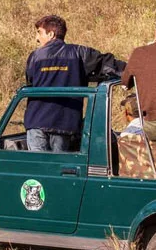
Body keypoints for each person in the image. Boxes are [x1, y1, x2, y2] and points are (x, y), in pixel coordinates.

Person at [24, 15, 125, 152]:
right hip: (64, 123)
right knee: (58, 164)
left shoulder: (34, 57)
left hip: (36, 122)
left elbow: (30, 82)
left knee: (38, 165)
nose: (37, 38)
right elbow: (108, 65)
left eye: (39, 33)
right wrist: (133, 71)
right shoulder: (79, 53)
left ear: (51, 34)